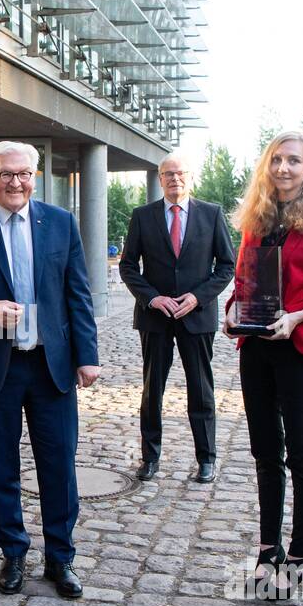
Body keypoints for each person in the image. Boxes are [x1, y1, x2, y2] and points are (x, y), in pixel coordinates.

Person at [0, 141, 100, 598]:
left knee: (59, 466)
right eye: (6, 174)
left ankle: (60, 558)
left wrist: (87, 357)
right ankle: (12, 552)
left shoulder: (61, 223)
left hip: (52, 368)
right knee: (1, 467)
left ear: (36, 176)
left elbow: (78, 295)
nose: (16, 182)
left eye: (24, 174)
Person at [224, 131, 303, 600]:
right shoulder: (256, 221)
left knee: (301, 453)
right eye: (276, 159)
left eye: (293, 161)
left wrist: (298, 316)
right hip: (256, 349)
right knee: (264, 454)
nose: (283, 168)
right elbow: (242, 284)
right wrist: (233, 312)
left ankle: (300, 555)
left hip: (301, 350)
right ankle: (267, 550)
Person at [120, 150, 235, 483]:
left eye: (181, 173)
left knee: (201, 389)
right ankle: (150, 458)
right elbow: (128, 266)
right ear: (160, 179)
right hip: (155, 317)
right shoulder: (143, 216)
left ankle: (206, 459)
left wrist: (197, 297)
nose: (175, 179)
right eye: (168, 174)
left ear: (190, 177)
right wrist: (152, 298)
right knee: (151, 390)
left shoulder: (211, 215)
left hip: (196, 317)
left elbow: (226, 265)